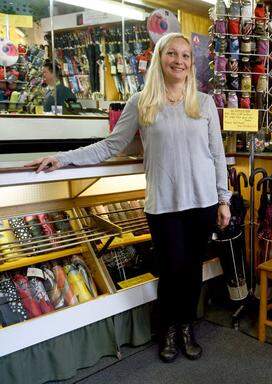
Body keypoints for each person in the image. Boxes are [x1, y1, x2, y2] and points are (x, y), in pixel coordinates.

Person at [26, 33, 232, 363]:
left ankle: (185, 328)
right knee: (171, 272)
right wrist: (63, 158)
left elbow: (217, 156)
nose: (179, 60)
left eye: (185, 56)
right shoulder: (142, 102)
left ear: (191, 63)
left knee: (191, 271)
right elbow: (110, 146)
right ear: (160, 58)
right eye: (172, 54)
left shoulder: (204, 103)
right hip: (164, 205)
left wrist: (224, 199)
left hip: (203, 203)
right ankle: (167, 330)